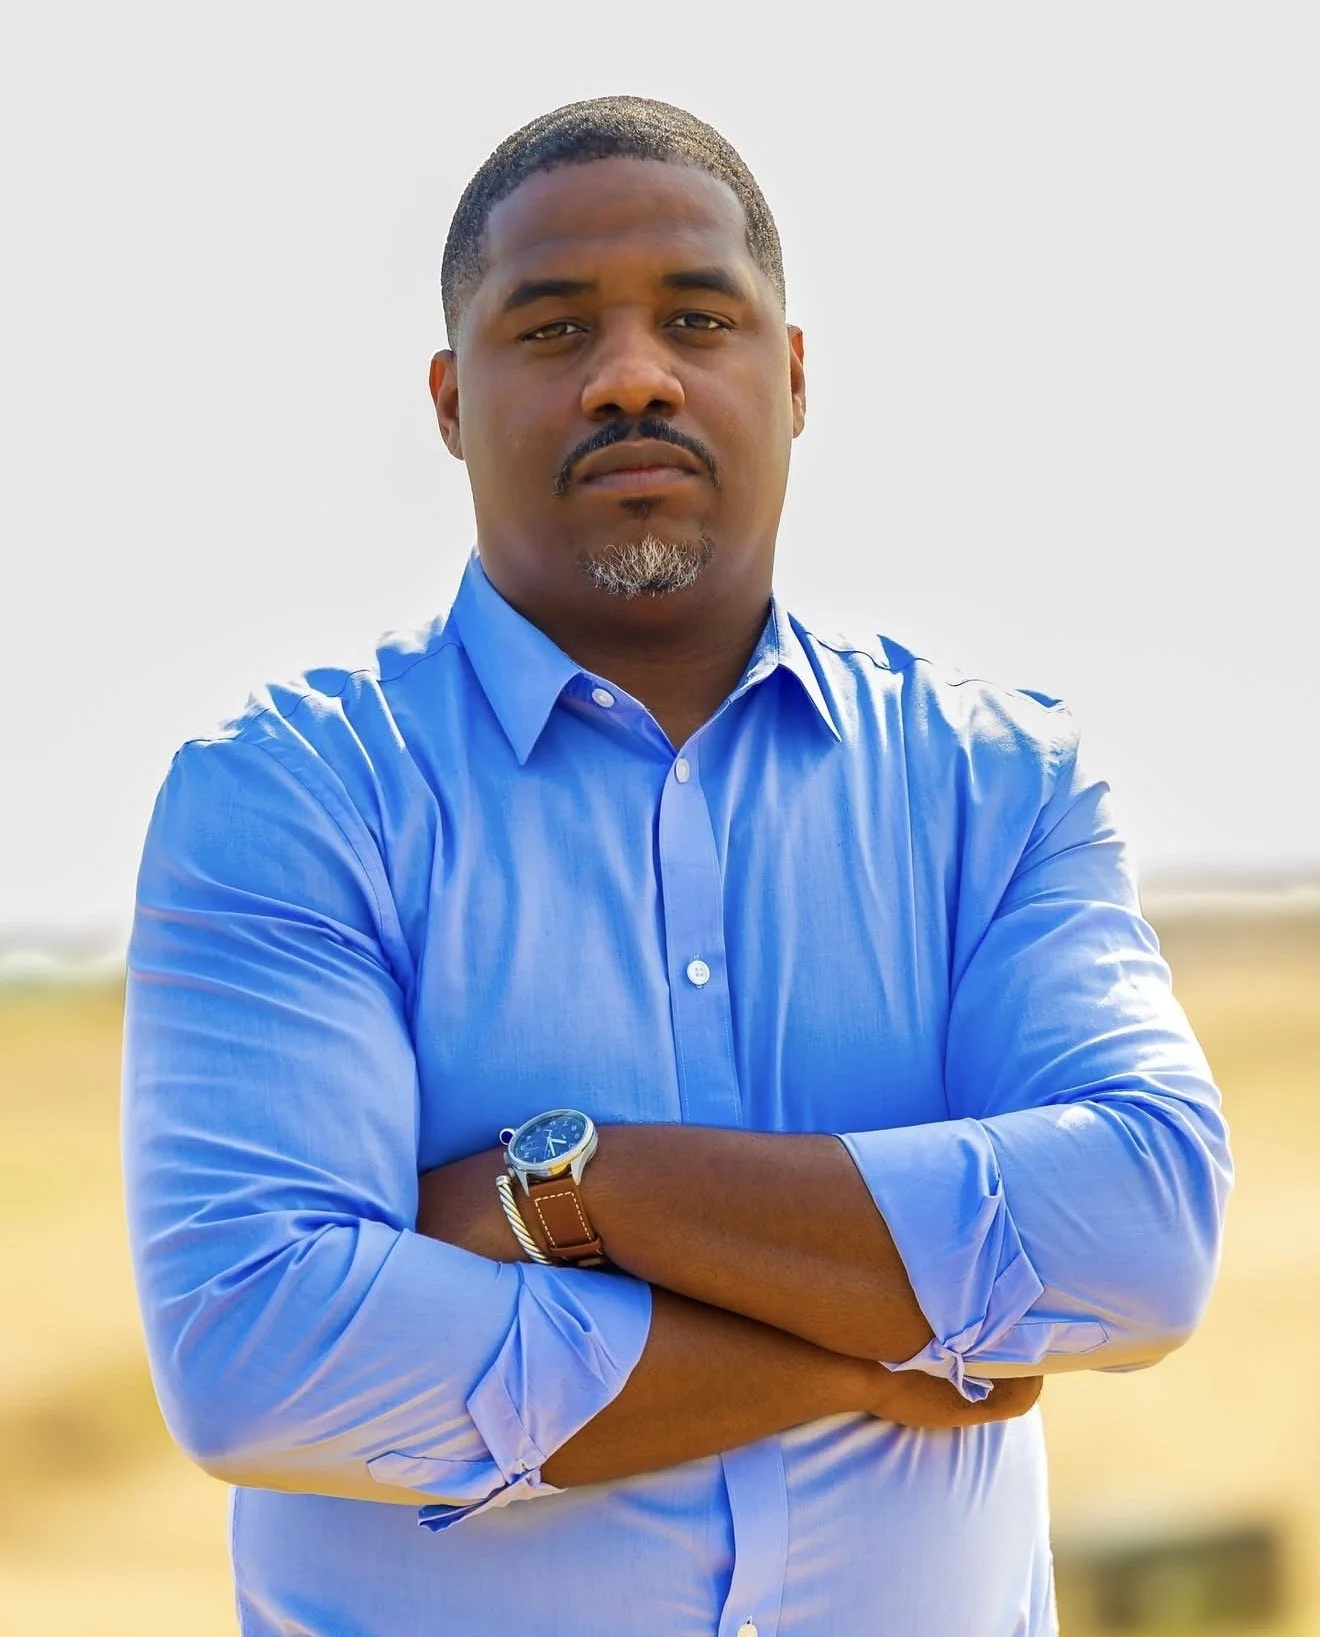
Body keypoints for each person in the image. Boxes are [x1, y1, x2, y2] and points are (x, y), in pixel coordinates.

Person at [123, 96, 1232, 1636]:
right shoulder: (299, 798)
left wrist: (573, 1187)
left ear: (789, 377)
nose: (631, 373)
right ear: (451, 402)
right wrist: (863, 1347)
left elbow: (1149, 1228)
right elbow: (261, 1353)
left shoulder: (994, 783)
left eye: (697, 319)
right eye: (553, 326)